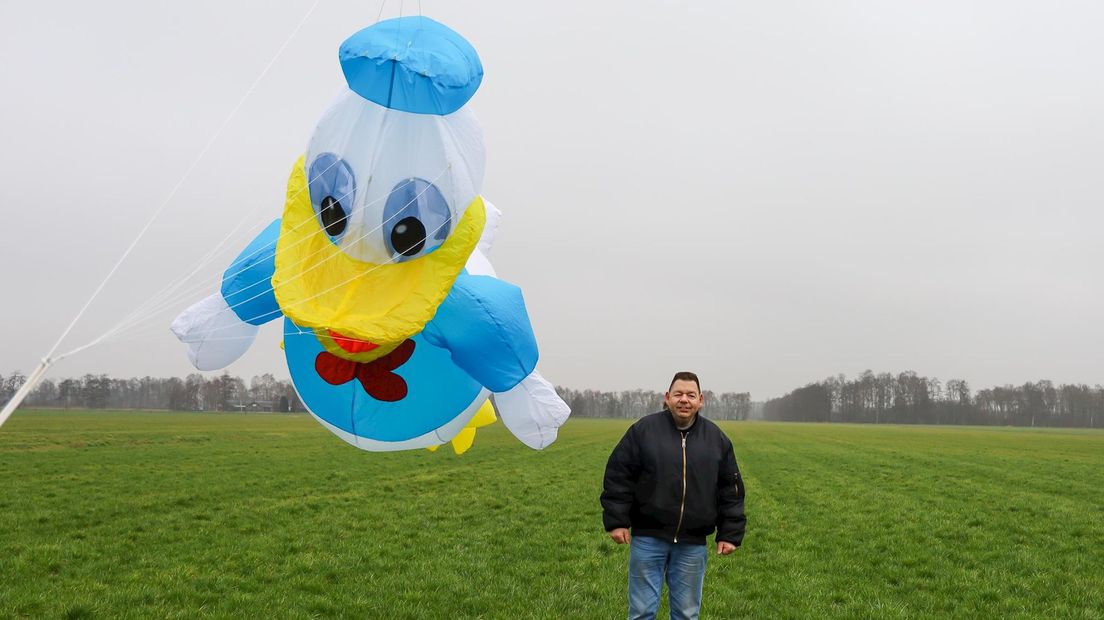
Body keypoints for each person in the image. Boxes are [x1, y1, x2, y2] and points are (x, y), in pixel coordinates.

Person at [601, 371, 746, 620]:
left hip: (692, 544)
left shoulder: (716, 439)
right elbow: (619, 474)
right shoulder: (643, 431)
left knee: (687, 614)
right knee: (641, 612)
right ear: (667, 398)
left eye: (691, 395)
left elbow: (730, 490)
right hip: (648, 539)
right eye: (678, 394)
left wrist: (730, 533)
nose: (684, 400)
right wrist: (617, 521)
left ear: (701, 400)